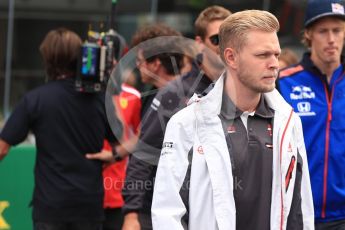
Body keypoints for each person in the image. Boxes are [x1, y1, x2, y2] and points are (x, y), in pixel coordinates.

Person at [152, 10, 315, 230]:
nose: (274, 64)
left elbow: (300, 208)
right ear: (231, 57)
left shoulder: (288, 121)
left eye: (276, 55)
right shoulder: (187, 123)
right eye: (262, 55)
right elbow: (167, 213)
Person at [122, 5, 231, 230]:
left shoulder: (243, 90)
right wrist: (132, 214)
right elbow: (143, 153)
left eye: (231, 38)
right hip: (170, 214)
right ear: (200, 43)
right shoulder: (174, 93)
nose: (225, 46)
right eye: (216, 39)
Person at [0, 28, 121, 230]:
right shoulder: (100, 100)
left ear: (47, 58)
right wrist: (113, 156)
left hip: (51, 206)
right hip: (89, 207)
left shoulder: (35, 99)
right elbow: (123, 143)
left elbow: (2, 148)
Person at [279, 0, 345, 229]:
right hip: (297, 213)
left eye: (337, 30)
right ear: (308, 34)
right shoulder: (283, 83)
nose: (331, 39)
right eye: (322, 31)